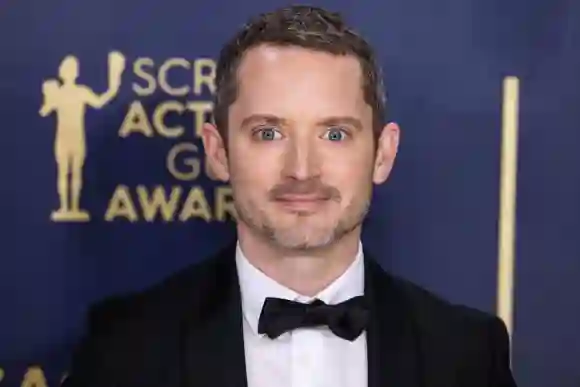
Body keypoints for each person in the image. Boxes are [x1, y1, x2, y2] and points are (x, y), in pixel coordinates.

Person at [63, 5, 517, 387]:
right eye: (268, 132)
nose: (301, 170)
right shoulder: (122, 352)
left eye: (335, 134)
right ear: (218, 152)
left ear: (383, 153)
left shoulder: (468, 355)